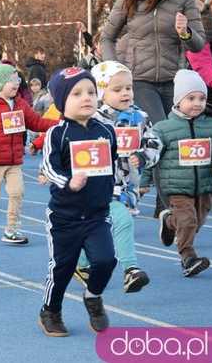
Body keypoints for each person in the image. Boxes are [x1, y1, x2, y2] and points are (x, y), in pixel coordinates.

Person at [101, 0, 206, 218]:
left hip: (175, 80)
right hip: (140, 80)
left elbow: (199, 42)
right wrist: (115, 70)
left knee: (174, 141)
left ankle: (165, 203)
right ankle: (169, 206)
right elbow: (107, 38)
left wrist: (185, 31)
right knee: (160, 133)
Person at [39, 67, 117, 337]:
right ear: (62, 102)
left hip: (97, 214)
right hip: (65, 216)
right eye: (77, 93)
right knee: (62, 267)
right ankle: (51, 310)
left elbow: (112, 164)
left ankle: (93, 296)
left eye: (91, 92)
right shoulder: (57, 134)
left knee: (106, 260)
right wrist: (67, 181)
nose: (86, 98)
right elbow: (48, 167)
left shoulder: (106, 130)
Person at [72, 61, 159, 294]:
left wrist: (143, 156)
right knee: (122, 222)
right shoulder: (90, 119)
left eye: (128, 88)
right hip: (98, 187)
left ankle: (79, 263)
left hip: (128, 186)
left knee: (97, 229)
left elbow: (153, 142)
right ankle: (131, 270)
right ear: (101, 91)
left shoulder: (140, 117)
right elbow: (72, 147)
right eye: (117, 89)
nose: (125, 93)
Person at [140, 70, 212, 277]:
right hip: (176, 186)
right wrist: (144, 182)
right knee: (188, 221)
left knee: (196, 221)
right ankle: (188, 257)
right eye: (191, 98)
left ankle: (169, 222)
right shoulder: (163, 129)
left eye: (202, 98)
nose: (197, 103)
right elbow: (151, 156)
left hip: (205, 186)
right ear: (178, 101)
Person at [0, 64, 57, 244]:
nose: (16, 83)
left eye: (17, 79)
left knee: (17, 192)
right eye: (11, 80)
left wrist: (59, 123)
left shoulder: (20, 103)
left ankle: (11, 230)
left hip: (14, 159)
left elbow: (36, 122)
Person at [186, 0, 212, 210]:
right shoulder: (202, 30)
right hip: (207, 96)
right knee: (208, 146)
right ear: (210, 5)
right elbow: (201, 63)